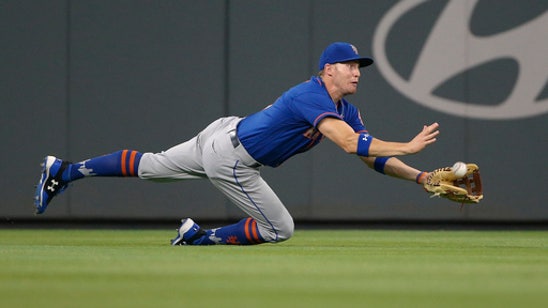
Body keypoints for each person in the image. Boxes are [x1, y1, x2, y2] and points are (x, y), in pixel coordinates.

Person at [34, 42, 439, 246]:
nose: (357, 72)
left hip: (224, 133)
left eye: (360, 67)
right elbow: (352, 146)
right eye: (351, 66)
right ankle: (200, 238)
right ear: (328, 69)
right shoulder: (309, 95)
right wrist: (408, 146)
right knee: (280, 228)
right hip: (232, 157)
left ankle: (65, 171)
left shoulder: (343, 108)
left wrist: (420, 177)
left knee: (151, 166)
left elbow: (371, 158)